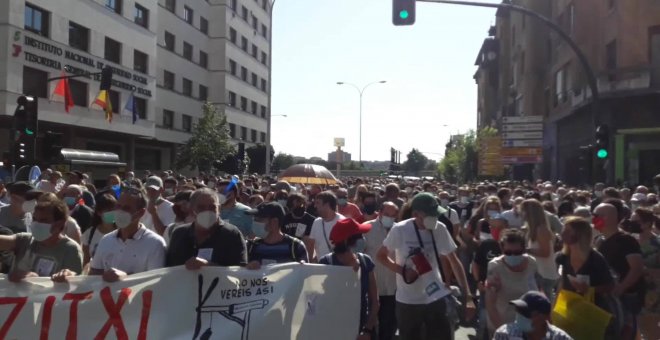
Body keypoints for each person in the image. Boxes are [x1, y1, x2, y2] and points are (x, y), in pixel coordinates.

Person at [377, 192, 475, 340]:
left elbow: (454, 261)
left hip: (435, 297)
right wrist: (403, 271)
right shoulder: (400, 229)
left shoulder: (440, 228)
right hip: (408, 300)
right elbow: (381, 256)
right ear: (416, 214)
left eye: (436, 214)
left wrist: (468, 297)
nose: (435, 218)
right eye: (431, 215)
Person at [90, 187, 166, 282]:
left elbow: (155, 282)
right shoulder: (105, 240)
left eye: (126, 208)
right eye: (118, 206)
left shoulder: (155, 243)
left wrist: (126, 277)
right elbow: (93, 275)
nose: (120, 211)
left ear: (140, 213)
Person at [319, 218, 379, 339]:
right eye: (359, 236)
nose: (363, 239)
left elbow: (375, 301)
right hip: (334, 330)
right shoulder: (326, 263)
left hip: (362, 329)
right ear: (346, 241)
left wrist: (367, 329)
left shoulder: (366, 261)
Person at [594, 202, 646, 340]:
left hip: (626, 297)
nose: (594, 220)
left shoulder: (626, 240)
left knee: (627, 332)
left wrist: (621, 288)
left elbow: (637, 268)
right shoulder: (599, 241)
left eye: (597, 216)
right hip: (609, 297)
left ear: (609, 218)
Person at [0, 197, 82, 282]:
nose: (37, 224)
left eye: (43, 220)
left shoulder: (71, 249)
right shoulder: (25, 240)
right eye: (35, 219)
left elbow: (74, 287)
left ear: (59, 223)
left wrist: (68, 276)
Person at [167, 188, 247, 268]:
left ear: (219, 209)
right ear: (191, 210)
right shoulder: (179, 234)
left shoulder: (232, 234)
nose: (207, 211)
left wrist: (209, 266)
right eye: (201, 207)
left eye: (212, 207)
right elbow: (168, 268)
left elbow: (239, 271)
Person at [485, 229, 539, 334]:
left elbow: (537, 289)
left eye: (517, 252)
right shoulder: (495, 267)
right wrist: (504, 332)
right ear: (502, 249)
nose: (512, 256)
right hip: (502, 323)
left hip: (527, 325)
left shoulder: (532, 263)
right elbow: (490, 305)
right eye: (508, 252)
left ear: (523, 249)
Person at [364, 201, 399, 340]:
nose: (389, 217)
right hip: (373, 287)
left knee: (388, 326)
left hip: (393, 288)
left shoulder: (399, 230)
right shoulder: (367, 229)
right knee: (369, 326)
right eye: (386, 214)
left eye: (393, 215)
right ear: (379, 213)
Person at [472, 214, 507, 339]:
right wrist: (478, 282)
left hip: (506, 291)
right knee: (483, 321)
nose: (495, 230)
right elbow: (476, 264)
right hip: (486, 289)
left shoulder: (512, 245)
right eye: (492, 227)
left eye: (498, 227)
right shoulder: (486, 244)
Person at [245, 202, 307, 269]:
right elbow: (239, 272)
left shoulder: (296, 247)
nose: (255, 222)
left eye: (259, 219)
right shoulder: (250, 246)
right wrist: (247, 267)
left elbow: (304, 275)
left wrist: (302, 266)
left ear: (274, 222)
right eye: (254, 219)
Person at [492, 291, 573, 340]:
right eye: (518, 311)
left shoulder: (560, 338)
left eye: (525, 312)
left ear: (543, 317)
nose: (520, 316)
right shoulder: (504, 335)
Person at [520, 199, 559, 299]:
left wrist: (527, 250)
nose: (521, 213)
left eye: (523, 210)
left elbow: (545, 252)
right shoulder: (532, 229)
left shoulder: (541, 229)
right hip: (538, 272)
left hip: (544, 274)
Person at [82, 193, 117, 268]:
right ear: (99, 213)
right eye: (108, 210)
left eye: (114, 209)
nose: (111, 213)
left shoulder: (123, 232)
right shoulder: (89, 234)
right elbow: (86, 261)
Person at [308, 191, 345, 261]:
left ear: (327, 205)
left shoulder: (342, 222)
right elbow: (311, 244)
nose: (315, 206)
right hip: (321, 267)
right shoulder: (316, 222)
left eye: (318, 203)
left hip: (338, 268)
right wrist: (310, 262)